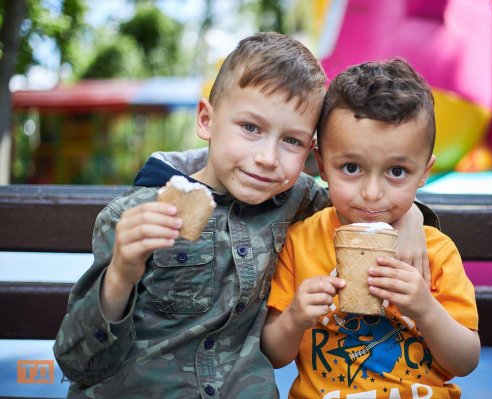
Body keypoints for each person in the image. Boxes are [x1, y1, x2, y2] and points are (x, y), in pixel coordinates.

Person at [53, 33, 438, 398]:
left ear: (311, 152)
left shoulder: (299, 198)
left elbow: (369, 200)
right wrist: (121, 273)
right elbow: (77, 362)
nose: (268, 158)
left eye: (291, 141)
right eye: (251, 128)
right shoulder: (136, 216)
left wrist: (410, 221)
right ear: (206, 120)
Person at [261, 58, 480, 398]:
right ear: (321, 164)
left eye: (396, 172)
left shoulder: (434, 252)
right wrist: (294, 317)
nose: (372, 193)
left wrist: (425, 308)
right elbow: (275, 355)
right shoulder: (300, 242)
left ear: (424, 172)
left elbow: (465, 361)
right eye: (351, 167)